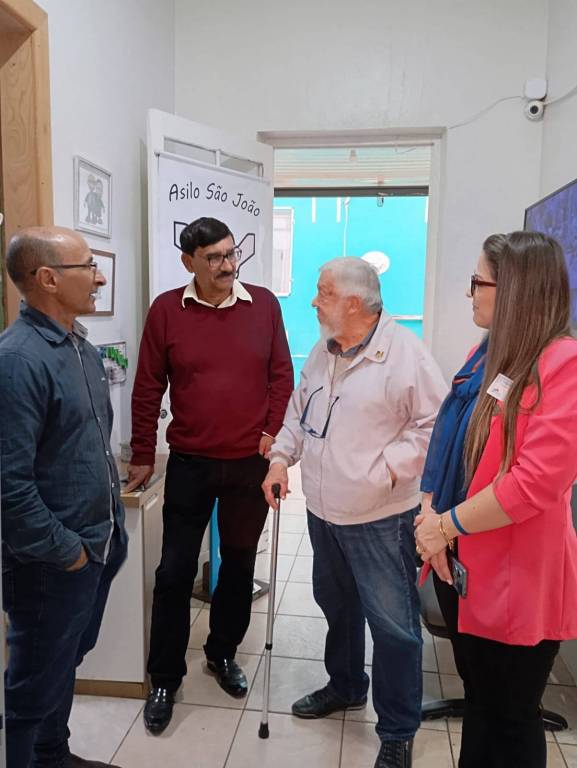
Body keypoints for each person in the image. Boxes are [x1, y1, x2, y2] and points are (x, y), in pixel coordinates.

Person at [262, 257, 447, 768]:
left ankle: (397, 730)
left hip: (379, 519)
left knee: (393, 628)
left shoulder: (404, 354)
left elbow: (435, 426)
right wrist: (280, 460)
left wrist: (384, 470)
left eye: (323, 293)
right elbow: (298, 413)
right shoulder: (323, 352)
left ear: (353, 303)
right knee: (337, 607)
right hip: (324, 513)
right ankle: (345, 686)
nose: (313, 301)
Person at [415, 230, 577, 768]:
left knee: (510, 717)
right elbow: (449, 442)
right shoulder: (488, 354)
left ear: (514, 290)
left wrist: (445, 526)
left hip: (517, 576)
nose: (470, 294)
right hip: (464, 566)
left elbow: (533, 483)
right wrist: (430, 516)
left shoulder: (563, 364)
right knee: (481, 704)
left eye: (477, 282)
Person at [127, 216, 293, 734]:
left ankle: (222, 653)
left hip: (249, 464)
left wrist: (272, 433)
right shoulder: (166, 310)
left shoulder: (263, 305)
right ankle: (164, 677)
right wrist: (143, 452)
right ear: (188, 262)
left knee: (239, 565)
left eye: (231, 253)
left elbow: (281, 376)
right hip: (191, 463)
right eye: (214, 257)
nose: (227, 265)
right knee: (174, 571)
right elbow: (148, 385)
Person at [0, 227, 128, 768]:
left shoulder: (80, 348)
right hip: (51, 563)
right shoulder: (17, 361)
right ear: (49, 279)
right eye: (88, 267)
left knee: (62, 663)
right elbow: (9, 485)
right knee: (32, 683)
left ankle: (53, 755)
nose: (99, 278)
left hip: (96, 546)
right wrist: (67, 551)